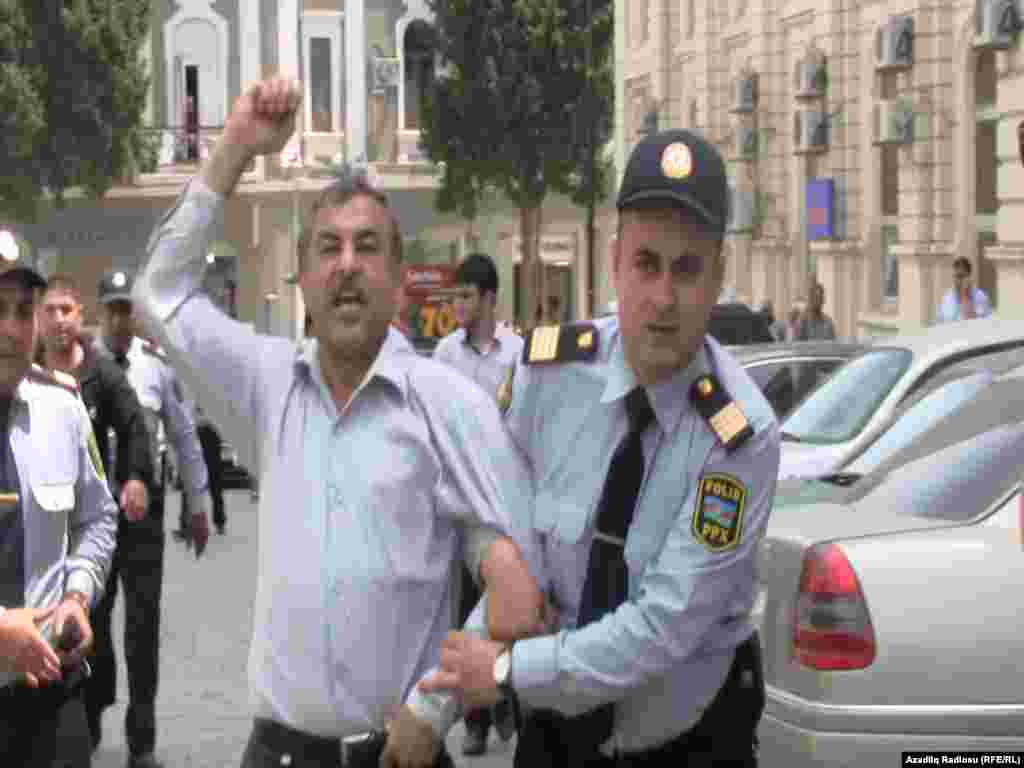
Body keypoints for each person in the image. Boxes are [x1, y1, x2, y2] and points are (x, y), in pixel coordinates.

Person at [132, 76, 543, 768]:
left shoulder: (449, 406)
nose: (347, 266)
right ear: (302, 279)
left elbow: (521, 580)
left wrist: (434, 706)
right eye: (328, 248)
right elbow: (158, 293)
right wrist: (236, 146)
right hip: (276, 754)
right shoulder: (265, 386)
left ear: (400, 277)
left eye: (367, 247)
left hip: (400, 756)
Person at [409, 129, 781, 767]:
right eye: (646, 264)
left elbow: (663, 628)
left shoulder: (738, 436)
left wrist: (503, 672)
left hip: (685, 746)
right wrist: (430, 707)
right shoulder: (549, 375)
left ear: (720, 275)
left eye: (687, 270)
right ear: (614, 261)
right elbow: (506, 553)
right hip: (555, 737)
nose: (663, 297)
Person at [89, 269, 212, 768]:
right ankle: (92, 708)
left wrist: (198, 504)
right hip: (93, 515)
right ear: (101, 313)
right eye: (113, 310)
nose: (121, 319)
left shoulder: (156, 369)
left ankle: (142, 740)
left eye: (128, 310)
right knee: (92, 623)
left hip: (144, 517)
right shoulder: (82, 366)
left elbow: (183, 436)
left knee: (142, 628)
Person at [0, 257, 118, 766]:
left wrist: (77, 594)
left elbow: (97, 517)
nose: (11, 329)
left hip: (53, 696)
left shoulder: (63, 410)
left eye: (23, 311)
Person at [36, 275, 160, 752]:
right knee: (87, 631)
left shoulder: (102, 374)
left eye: (66, 309)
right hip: (51, 524)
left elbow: (134, 426)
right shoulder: (26, 372)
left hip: (106, 520)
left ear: (80, 315)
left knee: (131, 628)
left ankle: (132, 734)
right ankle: (80, 719)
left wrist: (135, 477)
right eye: (50, 310)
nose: (58, 320)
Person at [432, 253, 523, 756]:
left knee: (507, 605)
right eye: (455, 296)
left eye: (466, 296)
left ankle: (505, 695)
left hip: (506, 502)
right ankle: (475, 720)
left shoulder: (518, 353)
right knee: (466, 609)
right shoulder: (445, 354)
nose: (459, 306)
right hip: (462, 505)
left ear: (490, 299)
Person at [936, 256, 992, 323]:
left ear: (969, 277)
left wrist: (965, 296)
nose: (956, 281)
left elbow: (984, 322)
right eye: (954, 276)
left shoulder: (980, 297)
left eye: (960, 277)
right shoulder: (947, 298)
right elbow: (940, 322)